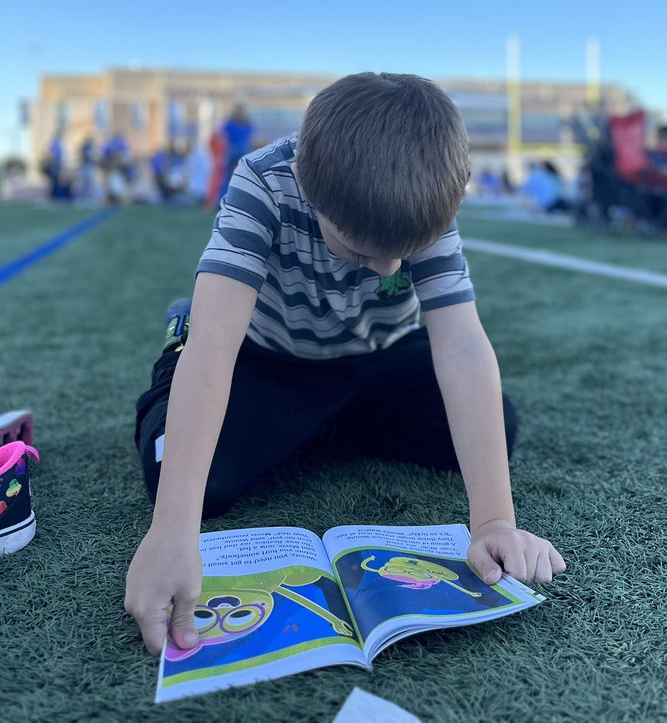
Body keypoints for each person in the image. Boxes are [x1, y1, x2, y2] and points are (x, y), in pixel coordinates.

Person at [124, 73, 565, 656]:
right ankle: (222, 380)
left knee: (494, 429)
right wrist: (173, 532)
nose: (385, 271)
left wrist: (493, 523)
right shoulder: (264, 181)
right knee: (178, 475)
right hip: (272, 356)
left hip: (376, 360)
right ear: (308, 184)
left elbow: (460, 347)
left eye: (400, 256)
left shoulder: (423, 194)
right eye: (359, 252)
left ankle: (314, 423)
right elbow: (217, 345)